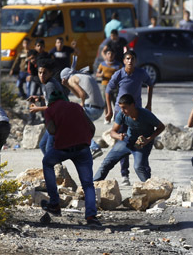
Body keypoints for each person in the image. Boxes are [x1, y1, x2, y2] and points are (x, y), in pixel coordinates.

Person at [38, 89, 102, 227]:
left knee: (47, 162)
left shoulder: (50, 110)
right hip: (83, 149)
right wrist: (85, 140)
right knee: (88, 184)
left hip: (63, 148)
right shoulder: (76, 106)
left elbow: (52, 130)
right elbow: (92, 127)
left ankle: (54, 203)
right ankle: (91, 217)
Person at [104, 50, 154, 185]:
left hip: (137, 113)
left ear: (135, 61)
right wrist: (109, 110)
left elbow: (150, 84)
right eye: (127, 59)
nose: (130, 61)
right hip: (121, 113)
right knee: (123, 141)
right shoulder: (119, 74)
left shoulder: (141, 73)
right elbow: (108, 91)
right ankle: (124, 174)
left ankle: (146, 171)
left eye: (132, 58)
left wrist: (149, 103)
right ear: (124, 61)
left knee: (142, 141)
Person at [93, 93, 165, 183]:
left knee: (139, 167)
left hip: (142, 143)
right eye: (121, 107)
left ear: (133, 105)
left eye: (125, 107)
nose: (122, 110)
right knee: (106, 163)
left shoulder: (146, 114)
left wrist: (148, 139)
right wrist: (118, 136)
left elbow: (161, 127)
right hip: (127, 140)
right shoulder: (121, 114)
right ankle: (91, 186)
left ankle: (151, 188)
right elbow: (112, 132)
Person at [60, 67, 105, 158]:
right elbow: (79, 94)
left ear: (64, 78)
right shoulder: (82, 75)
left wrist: (82, 105)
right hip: (99, 109)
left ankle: (94, 147)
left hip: (91, 108)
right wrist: (67, 86)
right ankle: (89, 148)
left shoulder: (72, 79)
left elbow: (82, 95)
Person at [28, 58, 69, 154]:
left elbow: (54, 106)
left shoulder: (49, 85)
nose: (41, 75)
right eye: (40, 72)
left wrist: (37, 109)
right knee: (43, 145)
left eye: (44, 73)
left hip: (58, 122)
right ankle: (55, 165)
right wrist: (40, 98)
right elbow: (53, 97)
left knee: (49, 148)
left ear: (50, 73)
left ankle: (54, 165)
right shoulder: (51, 82)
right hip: (55, 121)